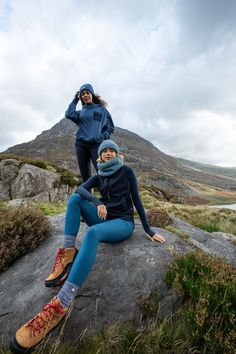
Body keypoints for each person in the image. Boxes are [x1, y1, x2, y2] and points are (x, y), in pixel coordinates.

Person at [10, 140, 166, 354]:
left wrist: (148, 230)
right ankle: (67, 254)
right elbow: (80, 189)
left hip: (122, 223)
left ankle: (61, 303)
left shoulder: (127, 171)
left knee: (92, 233)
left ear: (117, 154)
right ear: (100, 157)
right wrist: (97, 202)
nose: (109, 153)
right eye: (105, 151)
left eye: (112, 150)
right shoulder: (100, 174)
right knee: (75, 199)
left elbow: (137, 200)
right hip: (103, 218)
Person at [65, 83, 115, 182]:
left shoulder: (102, 110)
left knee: (102, 172)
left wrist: (101, 136)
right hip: (81, 145)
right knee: (85, 175)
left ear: (92, 94)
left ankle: (106, 196)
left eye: (87, 93)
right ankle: (87, 197)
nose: (85, 95)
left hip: (96, 145)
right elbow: (69, 114)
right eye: (82, 94)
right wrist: (75, 99)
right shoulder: (81, 113)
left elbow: (110, 127)